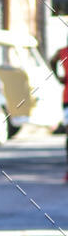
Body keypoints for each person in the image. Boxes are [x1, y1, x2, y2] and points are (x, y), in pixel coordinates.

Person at [50, 39, 68, 180]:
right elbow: (52, 61)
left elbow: (52, 61)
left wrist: (58, 77)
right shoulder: (63, 52)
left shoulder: (63, 52)